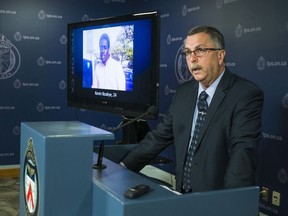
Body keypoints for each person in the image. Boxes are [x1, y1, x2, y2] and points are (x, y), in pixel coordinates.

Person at [121, 26, 264, 193]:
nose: (192, 59)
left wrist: (228, 204)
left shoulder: (245, 95)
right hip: (183, 197)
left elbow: (242, 156)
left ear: (220, 55)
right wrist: (122, 168)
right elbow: (159, 137)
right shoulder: (183, 93)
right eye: (188, 52)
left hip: (216, 201)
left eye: (200, 50)